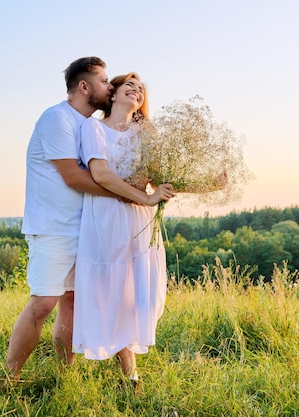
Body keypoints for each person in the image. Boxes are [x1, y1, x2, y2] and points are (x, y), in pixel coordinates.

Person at [6, 56, 119, 381]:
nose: (109, 87)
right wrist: (125, 193)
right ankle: (8, 379)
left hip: (83, 228)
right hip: (52, 229)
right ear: (84, 86)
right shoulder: (57, 118)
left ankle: (63, 375)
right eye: (103, 81)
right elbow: (72, 176)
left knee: (71, 303)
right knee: (43, 304)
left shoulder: (90, 126)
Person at [72, 72, 175, 383]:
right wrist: (145, 199)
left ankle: (130, 373)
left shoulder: (145, 134)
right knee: (111, 292)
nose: (136, 91)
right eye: (129, 86)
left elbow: (161, 181)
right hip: (106, 217)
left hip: (139, 224)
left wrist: (207, 182)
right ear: (113, 94)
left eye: (140, 89)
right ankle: (126, 374)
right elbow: (100, 174)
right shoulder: (94, 127)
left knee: (139, 295)